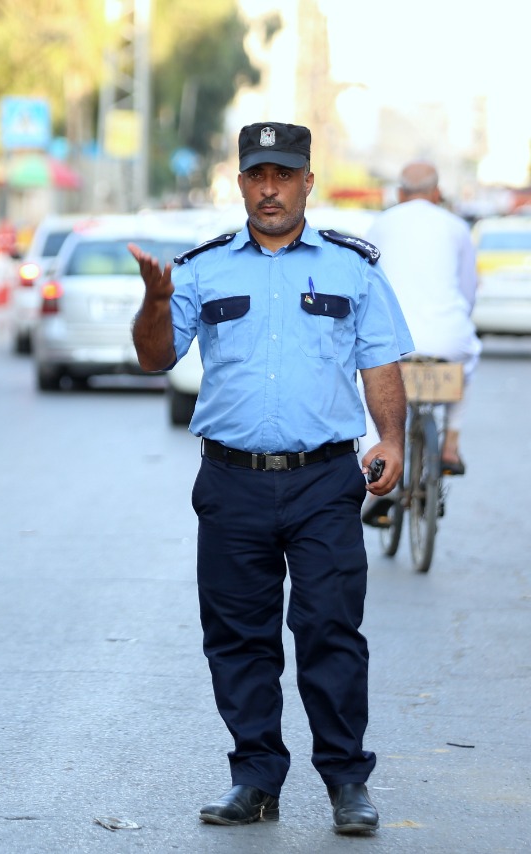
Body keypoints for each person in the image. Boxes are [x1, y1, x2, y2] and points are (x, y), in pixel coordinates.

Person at [129, 122, 414, 836]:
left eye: (283, 175)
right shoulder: (202, 270)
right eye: (257, 175)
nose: (269, 190)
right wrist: (156, 303)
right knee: (238, 636)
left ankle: (347, 781)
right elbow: (155, 358)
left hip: (324, 481)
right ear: (240, 183)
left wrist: (391, 439)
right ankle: (255, 779)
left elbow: (379, 360)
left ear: (307, 182)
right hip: (232, 483)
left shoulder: (352, 268)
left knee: (330, 630)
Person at [364, 160, 480, 478]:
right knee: (467, 360)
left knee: (367, 383)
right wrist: (460, 321)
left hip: (394, 340)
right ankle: (451, 444)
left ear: (400, 193)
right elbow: (468, 290)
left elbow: (368, 283)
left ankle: (376, 467)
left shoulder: (381, 224)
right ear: (437, 192)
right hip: (448, 337)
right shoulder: (457, 226)